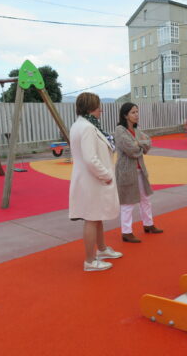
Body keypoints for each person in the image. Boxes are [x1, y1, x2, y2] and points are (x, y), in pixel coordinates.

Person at [69, 92, 123, 272]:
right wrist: (106, 175)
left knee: (97, 216)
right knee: (92, 218)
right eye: (99, 105)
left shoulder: (82, 125)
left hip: (89, 179)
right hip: (92, 179)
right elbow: (91, 158)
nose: (101, 109)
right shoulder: (87, 128)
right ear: (92, 107)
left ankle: (101, 249)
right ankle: (90, 261)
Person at [115, 102, 163, 243]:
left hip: (140, 170)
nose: (136, 115)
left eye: (137, 111)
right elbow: (130, 150)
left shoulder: (137, 130)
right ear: (125, 115)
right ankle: (126, 232)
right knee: (127, 202)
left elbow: (148, 143)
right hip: (126, 171)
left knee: (145, 199)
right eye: (133, 112)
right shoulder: (120, 130)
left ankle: (148, 224)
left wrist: (138, 144)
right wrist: (139, 144)